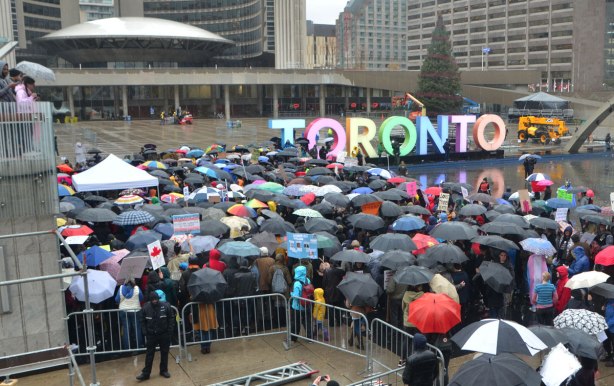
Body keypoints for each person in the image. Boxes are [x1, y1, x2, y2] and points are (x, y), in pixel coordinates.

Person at [137, 291, 174, 381]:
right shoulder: (146, 307)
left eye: (156, 299)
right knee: (149, 354)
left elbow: (171, 318)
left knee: (164, 353)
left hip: (164, 334)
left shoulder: (166, 306)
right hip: (151, 335)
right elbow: (142, 320)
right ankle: (146, 373)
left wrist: (169, 331)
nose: (154, 301)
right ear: (150, 300)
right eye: (152, 300)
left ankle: (163, 370)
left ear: (158, 298)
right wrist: (145, 331)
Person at [115, 277, 144, 350]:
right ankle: (138, 346)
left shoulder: (121, 288)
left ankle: (127, 348)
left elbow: (117, 299)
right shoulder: (137, 288)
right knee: (137, 328)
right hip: (135, 310)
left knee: (126, 329)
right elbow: (141, 298)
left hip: (123, 310)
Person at [290, 265, 313, 342]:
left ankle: (293, 338)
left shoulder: (297, 283)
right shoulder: (308, 280)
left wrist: (291, 294)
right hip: (307, 305)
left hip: (297, 307)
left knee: (295, 323)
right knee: (308, 322)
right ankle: (310, 338)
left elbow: (296, 296)